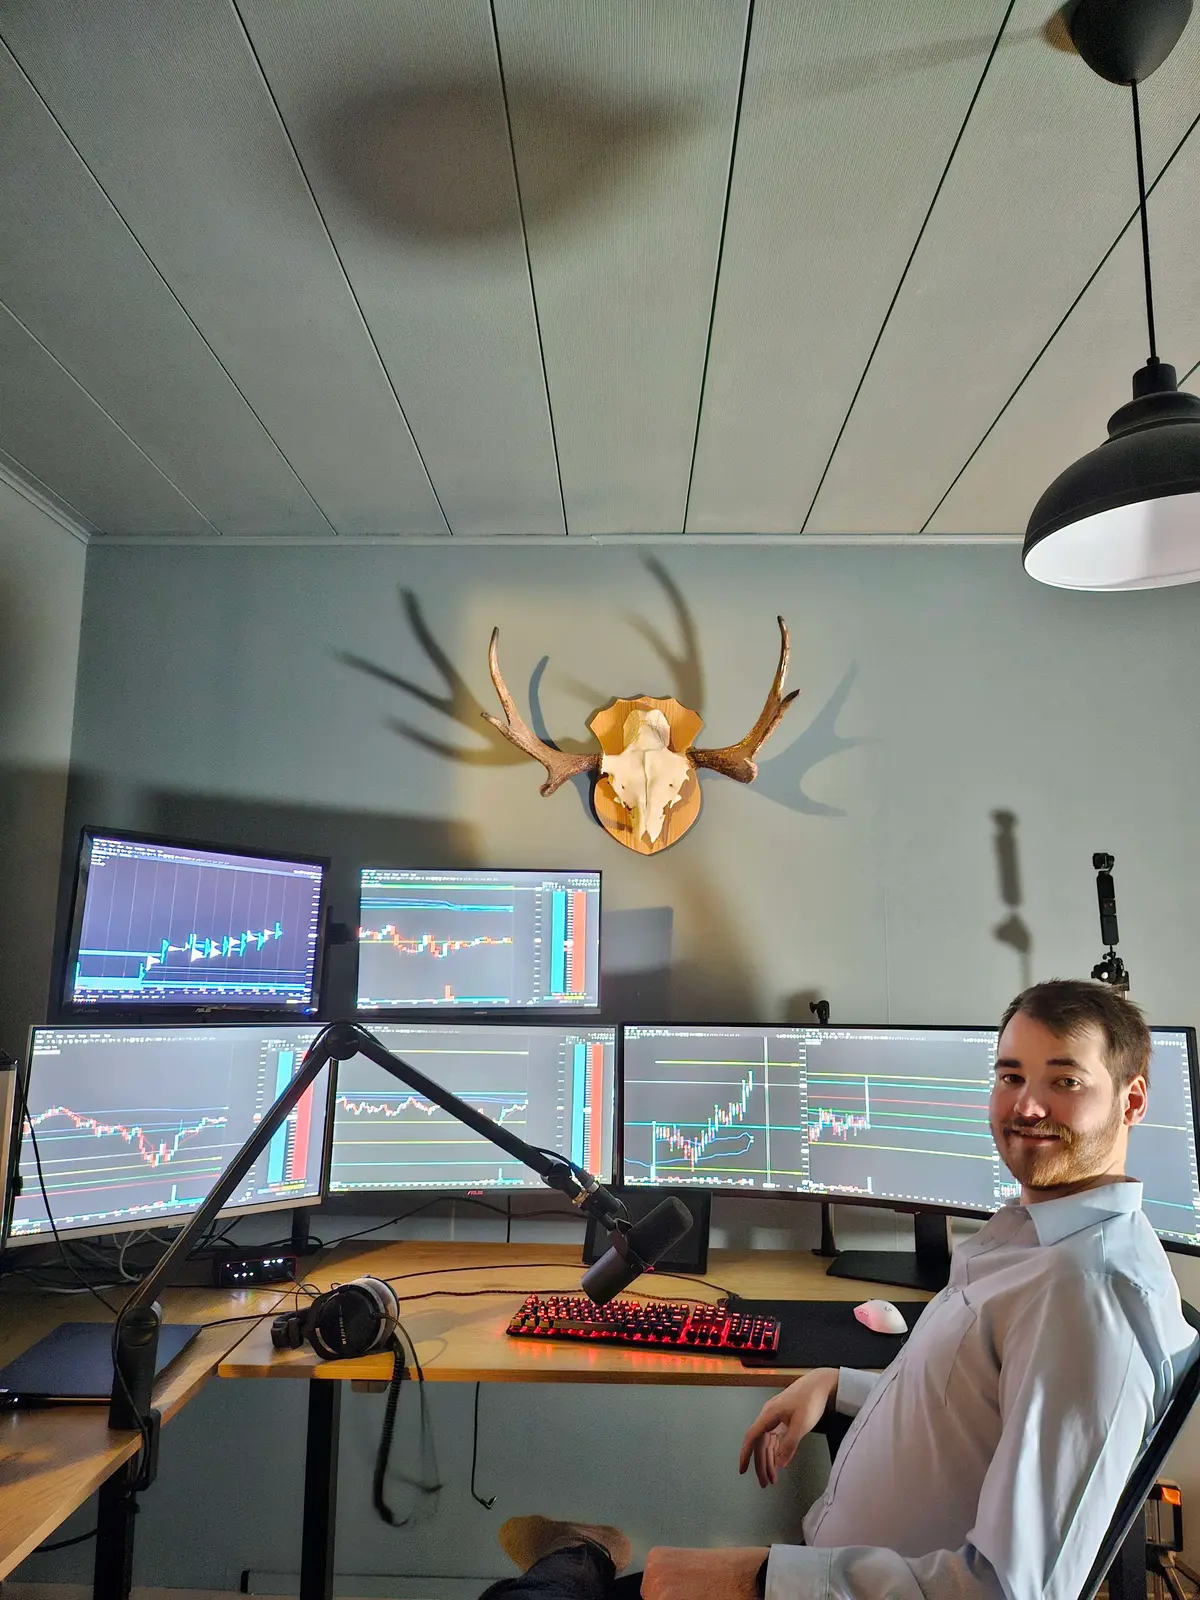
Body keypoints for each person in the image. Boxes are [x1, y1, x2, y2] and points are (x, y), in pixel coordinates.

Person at [479, 980, 1199, 1600]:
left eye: (1064, 1081)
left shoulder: (1087, 1298)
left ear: (1132, 1101)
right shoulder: (1033, 1238)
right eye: (1011, 1075)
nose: (1027, 1106)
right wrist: (838, 1380)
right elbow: (970, 1401)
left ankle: (579, 1557)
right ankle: (582, 1560)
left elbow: (1007, 1591)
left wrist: (754, 1579)